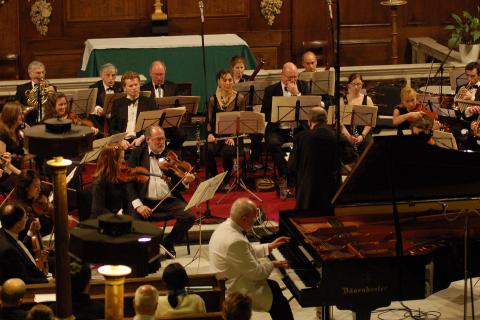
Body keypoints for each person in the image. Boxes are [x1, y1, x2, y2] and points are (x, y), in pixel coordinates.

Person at [209, 198, 293, 320]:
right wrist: (274, 264)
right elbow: (257, 273)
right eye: (254, 217)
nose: (255, 220)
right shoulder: (234, 241)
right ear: (244, 218)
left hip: (230, 277)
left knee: (274, 287)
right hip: (236, 288)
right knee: (280, 304)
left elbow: (245, 252)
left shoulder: (225, 227)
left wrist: (269, 246)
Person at [127, 125, 196, 256]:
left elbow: (177, 186)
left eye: (163, 139)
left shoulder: (170, 155)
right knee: (134, 223)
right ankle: (145, 252)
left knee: (189, 217)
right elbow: (128, 183)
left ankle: (168, 242)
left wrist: (185, 181)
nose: (161, 142)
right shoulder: (137, 154)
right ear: (147, 139)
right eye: (157, 139)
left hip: (168, 200)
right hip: (145, 201)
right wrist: (138, 205)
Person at [261, 62, 310, 183]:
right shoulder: (271, 90)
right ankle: (286, 175)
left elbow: (309, 110)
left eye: (295, 76)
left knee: (310, 140)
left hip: (298, 128)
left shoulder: (303, 86)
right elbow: (265, 114)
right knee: (273, 143)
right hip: (278, 130)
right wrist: (279, 114)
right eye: (290, 77)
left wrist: (296, 94)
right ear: (282, 76)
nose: (293, 80)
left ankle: (306, 175)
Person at [288, 107, 339, 213]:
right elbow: (349, 157)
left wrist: (291, 183)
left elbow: (292, 165)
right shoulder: (336, 136)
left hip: (308, 190)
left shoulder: (301, 137)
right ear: (326, 120)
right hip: (331, 190)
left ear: (309, 121)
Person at [206, 69, 245, 188]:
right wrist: (209, 134)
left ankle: (226, 181)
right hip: (217, 135)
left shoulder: (239, 98)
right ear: (219, 82)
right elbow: (209, 120)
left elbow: (242, 121)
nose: (228, 83)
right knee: (208, 149)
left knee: (228, 151)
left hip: (234, 136)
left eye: (230, 80)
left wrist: (233, 136)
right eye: (224, 80)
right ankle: (215, 179)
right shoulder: (213, 99)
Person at [140, 60, 186, 152]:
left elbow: (179, 106)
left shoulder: (173, 87)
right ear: (150, 74)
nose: (159, 77)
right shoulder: (144, 89)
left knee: (182, 134)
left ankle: (169, 152)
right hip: (152, 123)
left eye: (162, 74)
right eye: (157, 74)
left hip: (169, 123)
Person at [0, 204, 48, 284]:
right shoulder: (9, 251)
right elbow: (24, 281)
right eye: (25, 217)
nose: (27, 219)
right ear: (18, 224)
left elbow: (21, 249)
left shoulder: (4, 233)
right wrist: (48, 282)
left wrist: (31, 231)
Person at [110, 71, 156, 150]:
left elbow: (153, 126)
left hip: (142, 142)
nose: (134, 88)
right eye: (130, 86)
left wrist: (142, 138)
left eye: (136, 85)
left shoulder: (149, 102)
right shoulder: (117, 104)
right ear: (124, 88)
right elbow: (112, 128)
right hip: (123, 142)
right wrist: (121, 140)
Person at [91, 144, 130, 217]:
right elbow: (98, 210)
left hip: (119, 219)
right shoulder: (99, 182)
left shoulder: (119, 177)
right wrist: (117, 218)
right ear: (113, 161)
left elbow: (126, 202)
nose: (123, 161)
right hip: (104, 222)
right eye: (121, 158)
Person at [340, 73, 374, 152]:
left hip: (363, 132)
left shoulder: (367, 100)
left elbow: (370, 122)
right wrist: (349, 137)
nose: (356, 87)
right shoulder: (342, 100)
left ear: (362, 85)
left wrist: (362, 136)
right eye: (353, 84)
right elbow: (340, 122)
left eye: (358, 84)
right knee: (342, 143)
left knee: (369, 143)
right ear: (349, 85)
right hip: (347, 132)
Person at [14, 61, 56, 126]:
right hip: (29, 124)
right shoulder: (21, 89)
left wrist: (53, 94)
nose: (42, 75)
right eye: (38, 73)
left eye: (43, 72)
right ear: (30, 74)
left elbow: (56, 106)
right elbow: (16, 108)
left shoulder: (52, 88)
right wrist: (23, 124)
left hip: (48, 123)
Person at [15, 169, 53, 239]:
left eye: (39, 185)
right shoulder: (23, 210)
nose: (39, 189)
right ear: (26, 188)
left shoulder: (33, 200)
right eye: (36, 186)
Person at [0, 101, 26, 171]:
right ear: (12, 115)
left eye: (22, 114)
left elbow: (20, 157)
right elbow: (3, 164)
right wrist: (20, 174)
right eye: (20, 114)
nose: (22, 116)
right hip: (6, 173)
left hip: (16, 169)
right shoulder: (1, 134)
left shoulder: (17, 131)